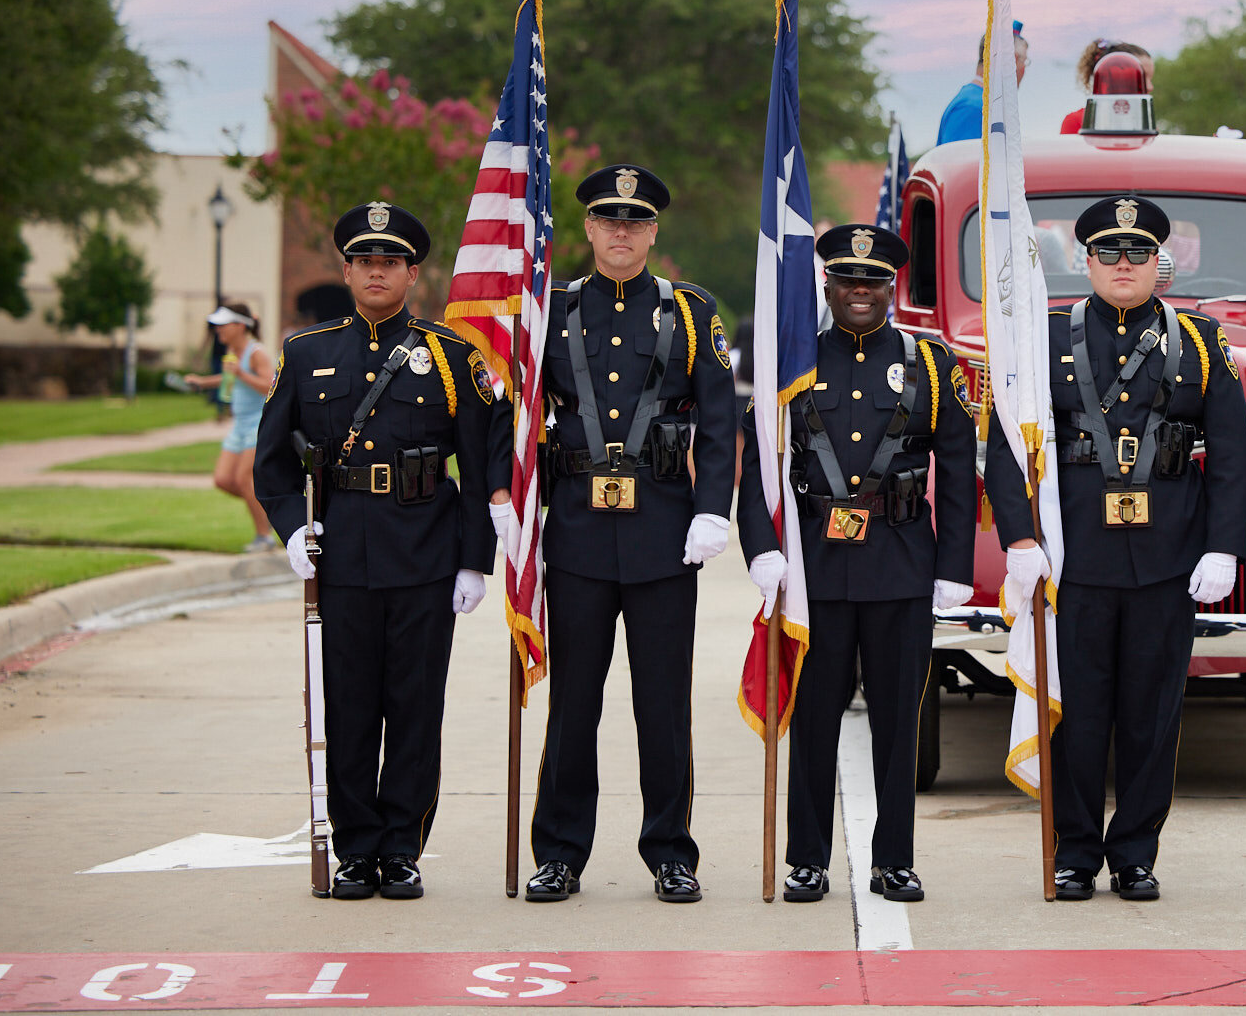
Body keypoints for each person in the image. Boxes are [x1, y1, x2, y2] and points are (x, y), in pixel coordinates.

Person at [984, 196, 1246, 902]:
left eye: (1138, 254)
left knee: (1151, 715)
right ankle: (1074, 851)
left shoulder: (1200, 342)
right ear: (1086, 261)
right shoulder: (1042, 339)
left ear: (1158, 264)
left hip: (1167, 556)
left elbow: (1230, 456)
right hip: (1075, 555)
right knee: (1079, 710)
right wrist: (1018, 536)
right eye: (1108, 252)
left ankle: (1135, 851)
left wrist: (1223, 548)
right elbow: (1006, 447)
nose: (1123, 266)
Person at [254, 202, 512, 901]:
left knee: (414, 707)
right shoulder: (306, 353)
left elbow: (484, 459)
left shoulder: (455, 357)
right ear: (346, 270)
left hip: (425, 554)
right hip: (341, 559)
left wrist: (473, 558)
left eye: (390, 262)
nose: (377, 272)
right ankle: (355, 851)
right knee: (348, 709)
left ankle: (401, 848)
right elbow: (273, 462)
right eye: (365, 261)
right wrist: (291, 531)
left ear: (412, 274)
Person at [522, 165, 738, 907]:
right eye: (608, 219)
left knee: (662, 704)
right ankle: (558, 853)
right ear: (586, 229)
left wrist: (715, 507)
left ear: (654, 232)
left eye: (636, 220)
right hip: (578, 532)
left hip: (662, 534)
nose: (621, 231)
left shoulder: (690, 312)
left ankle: (671, 852)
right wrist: (511, 505)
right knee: (574, 703)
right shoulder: (551, 312)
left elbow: (719, 420)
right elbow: (517, 420)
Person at [740, 224, 975, 905]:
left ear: (890, 287)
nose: (860, 292)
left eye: (872, 282)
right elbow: (758, 467)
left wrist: (954, 565)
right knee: (813, 717)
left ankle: (893, 860)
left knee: (899, 723)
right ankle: (807, 858)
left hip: (900, 563)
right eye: (847, 281)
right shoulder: (794, 363)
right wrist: (762, 549)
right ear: (828, 287)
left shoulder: (934, 366)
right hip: (814, 571)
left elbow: (958, 473)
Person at [186, 303, 278, 552]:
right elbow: (230, 378)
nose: (218, 331)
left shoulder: (256, 352)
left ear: (240, 326)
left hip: (258, 424)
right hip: (239, 425)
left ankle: (264, 537)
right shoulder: (231, 350)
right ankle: (266, 513)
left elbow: (270, 386)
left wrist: (241, 373)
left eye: (223, 325)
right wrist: (202, 382)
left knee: (243, 478)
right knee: (224, 480)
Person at [934, 20, 1026, 146]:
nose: (1023, 70)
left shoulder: (980, 104)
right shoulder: (972, 108)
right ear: (1010, 61)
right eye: (1023, 61)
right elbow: (965, 163)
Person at [1060, 40, 1154, 134]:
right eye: (1141, 76)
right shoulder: (1076, 122)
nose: (1150, 87)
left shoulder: (1146, 124)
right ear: (1113, 74)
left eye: (1151, 78)